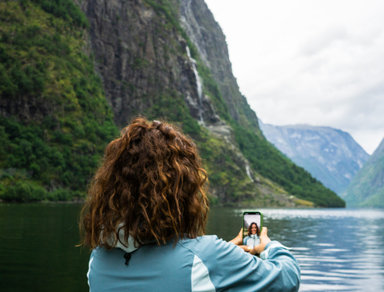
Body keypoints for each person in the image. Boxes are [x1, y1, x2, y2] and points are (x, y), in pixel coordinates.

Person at [79, 117, 301, 291]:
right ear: (182, 191)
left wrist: (225, 253)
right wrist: (269, 247)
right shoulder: (207, 257)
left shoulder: (98, 260)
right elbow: (287, 278)